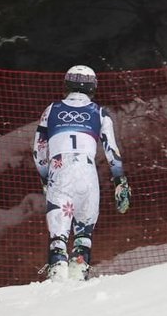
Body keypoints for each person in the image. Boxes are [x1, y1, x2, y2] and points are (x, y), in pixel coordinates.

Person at [35, 64, 131, 280]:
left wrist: (44, 178)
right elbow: (112, 151)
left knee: (58, 236)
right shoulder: (100, 113)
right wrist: (120, 182)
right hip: (87, 173)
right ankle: (80, 269)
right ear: (93, 87)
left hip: (60, 170)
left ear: (67, 84)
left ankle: (57, 271)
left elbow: (38, 149)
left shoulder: (51, 110)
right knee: (84, 233)